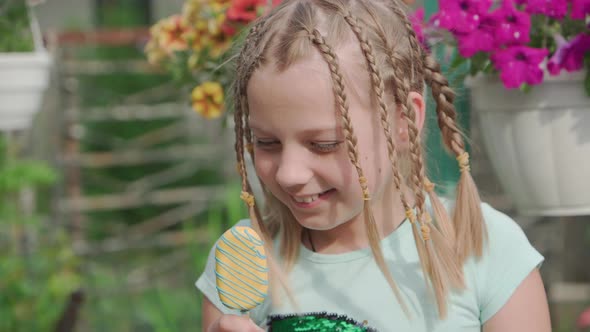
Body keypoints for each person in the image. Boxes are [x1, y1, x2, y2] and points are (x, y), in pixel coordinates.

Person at [196, 0, 551, 331]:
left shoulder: (485, 249)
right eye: (266, 142)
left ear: (402, 121)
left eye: (324, 144)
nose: (289, 172)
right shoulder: (245, 262)